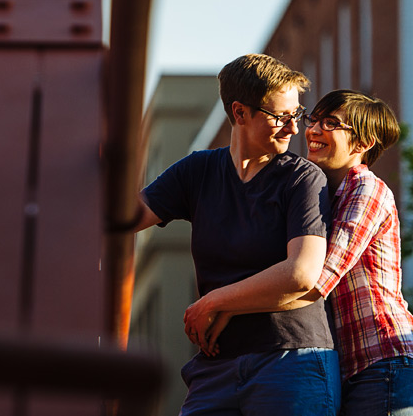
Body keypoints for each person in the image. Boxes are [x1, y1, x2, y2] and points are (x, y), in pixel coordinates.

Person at [196, 89, 413, 416]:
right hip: (349, 369)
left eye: (331, 123)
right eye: (314, 119)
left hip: (386, 364)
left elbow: (314, 282)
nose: (313, 130)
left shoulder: (367, 189)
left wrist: (223, 308)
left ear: (363, 144)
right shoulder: (324, 194)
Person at [134, 54, 340, 416]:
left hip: (291, 361)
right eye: (281, 116)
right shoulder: (198, 171)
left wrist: (213, 302)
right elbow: (124, 217)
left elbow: (301, 273)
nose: (294, 128)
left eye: (297, 114)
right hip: (216, 367)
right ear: (240, 113)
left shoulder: (303, 179)